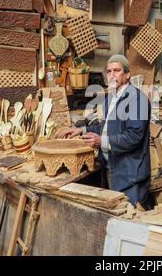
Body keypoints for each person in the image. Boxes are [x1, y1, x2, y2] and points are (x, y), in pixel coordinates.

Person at [57, 54, 151, 206]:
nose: (112, 75)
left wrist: (101, 141)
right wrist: (82, 129)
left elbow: (133, 136)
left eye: (117, 70)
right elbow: (107, 128)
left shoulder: (137, 99)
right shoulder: (110, 99)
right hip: (112, 169)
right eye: (109, 71)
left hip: (130, 174)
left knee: (130, 219)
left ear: (127, 74)